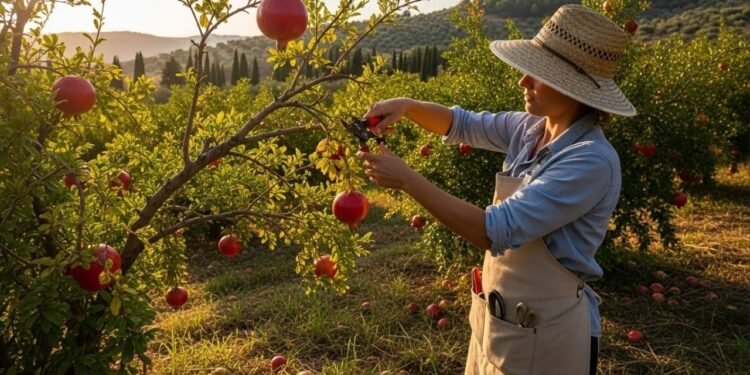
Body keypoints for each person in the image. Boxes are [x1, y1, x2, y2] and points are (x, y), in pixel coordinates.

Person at [356, 4, 636, 374]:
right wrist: (409, 106)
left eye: (538, 75)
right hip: (503, 322)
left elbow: (495, 230)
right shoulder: (530, 129)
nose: (523, 81)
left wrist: (407, 179)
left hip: (548, 333)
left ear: (575, 89)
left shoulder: (590, 161)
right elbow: (462, 123)